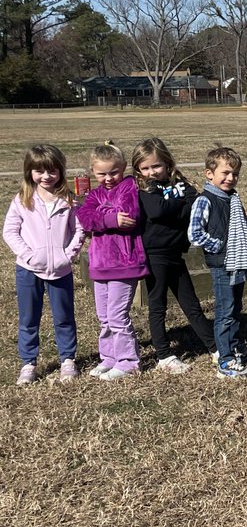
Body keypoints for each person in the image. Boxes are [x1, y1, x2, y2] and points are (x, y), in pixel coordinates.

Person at [132, 137, 217, 374]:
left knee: (192, 305)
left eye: (156, 166)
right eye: (145, 168)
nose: (151, 172)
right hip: (154, 254)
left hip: (176, 254)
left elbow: (197, 202)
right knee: (158, 306)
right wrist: (181, 207)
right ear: (138, 169)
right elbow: (157, 211)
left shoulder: (180, 183)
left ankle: (215, 347)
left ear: (168, 163)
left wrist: (178, 207)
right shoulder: (144, 187)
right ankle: (163, 355)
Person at [4, 144, 83, 385]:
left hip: (60, 270)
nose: (46, 176)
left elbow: (79, 230)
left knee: (64, 316)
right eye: (39, 171)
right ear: (29, 172)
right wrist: (28, 256)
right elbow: (10, 232)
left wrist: (67, 255)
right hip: (28, 271)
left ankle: (67, 360)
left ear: (60, 171)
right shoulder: (22, 200)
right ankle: (29, 363)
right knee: (29, 318)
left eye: (52, 171)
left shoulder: (69, 200)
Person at [189, 147, 247, 379]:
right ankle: (224, 360)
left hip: (237, 262)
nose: (230, 178)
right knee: (225, 312)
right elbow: (195, 234)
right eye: (225, 173)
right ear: (209, 173)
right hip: (222, 264)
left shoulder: (233, 199)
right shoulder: (205, 200)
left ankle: (235, 349)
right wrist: (221, 247)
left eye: (235, 174)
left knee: (235, 308)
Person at [77, 143, 149, 381]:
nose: (108, 178)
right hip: (100, 265)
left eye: (113, 172)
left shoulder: (129, 187)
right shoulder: (94, 194)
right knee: (104, 317)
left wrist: (102, 216)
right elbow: (85, 218)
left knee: (118, 316)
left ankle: (128, 362)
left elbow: (128, 216)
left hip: (124, 263)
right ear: (93, 172)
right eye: (102, 174)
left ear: (123, 168)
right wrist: (109, 217)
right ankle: (109, 358)